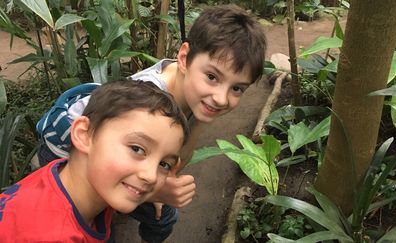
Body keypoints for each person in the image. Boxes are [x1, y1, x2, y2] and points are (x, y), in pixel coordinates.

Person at [35, 4, 267, 242]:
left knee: (163, 216)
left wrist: (200, 121)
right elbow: (115, 160)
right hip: (67, 147)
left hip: (121, 151)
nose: (221, 98)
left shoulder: (191, 90)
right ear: (184, 58)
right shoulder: (151, 104)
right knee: (95, 225)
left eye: (237, 88)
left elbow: (177, 156)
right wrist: (156, 189)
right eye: (212, 77)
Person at [0, 79, 189, 242]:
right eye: (136, 149)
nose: (151, 176)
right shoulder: (49, 237)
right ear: (84, 135)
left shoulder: (64, 175)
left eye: (164, 164)